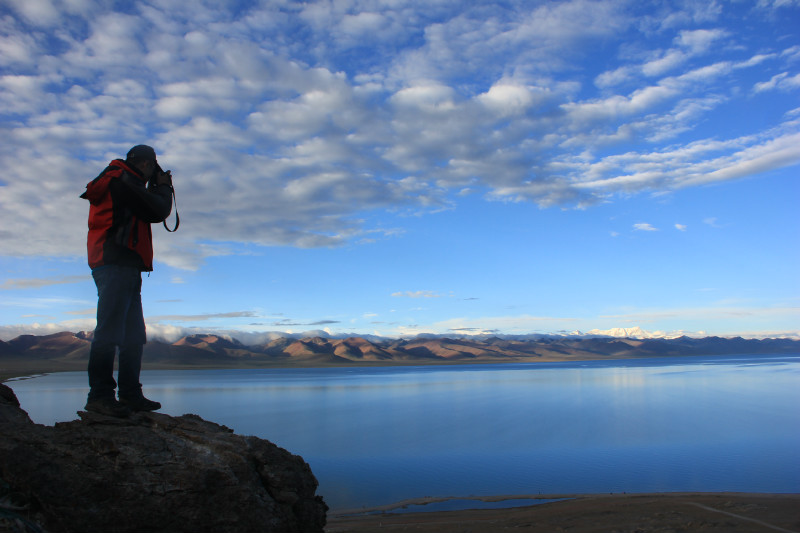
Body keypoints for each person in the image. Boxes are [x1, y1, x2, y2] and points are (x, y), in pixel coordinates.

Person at [80, 145, 173, 417]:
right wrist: (164, 187)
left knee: (133, 335)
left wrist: (156, 187)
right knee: (109, 332)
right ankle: (100, 396)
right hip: (115, 263)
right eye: (153, 168)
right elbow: (158, 211)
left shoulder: (125, 181)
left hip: (126, 265)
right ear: (145, 164)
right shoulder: (120, 180)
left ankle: (131, 394)